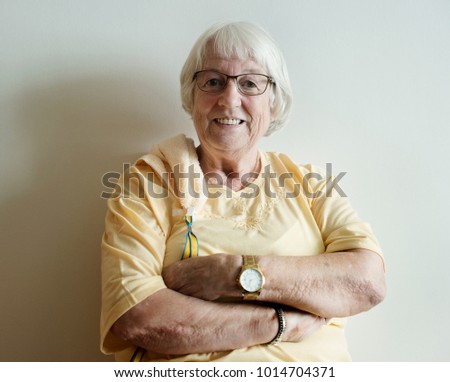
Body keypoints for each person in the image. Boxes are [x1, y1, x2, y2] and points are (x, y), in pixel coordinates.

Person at [100, 21, 386, 362]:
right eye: (214, 82)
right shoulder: (148, 183)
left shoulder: (311, 185)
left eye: (250, 83)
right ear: (192, 96)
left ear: (274, 102)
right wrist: (281, 322)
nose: (230, 99)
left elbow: (367, 283)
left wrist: (232, 274)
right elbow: (138, 318)